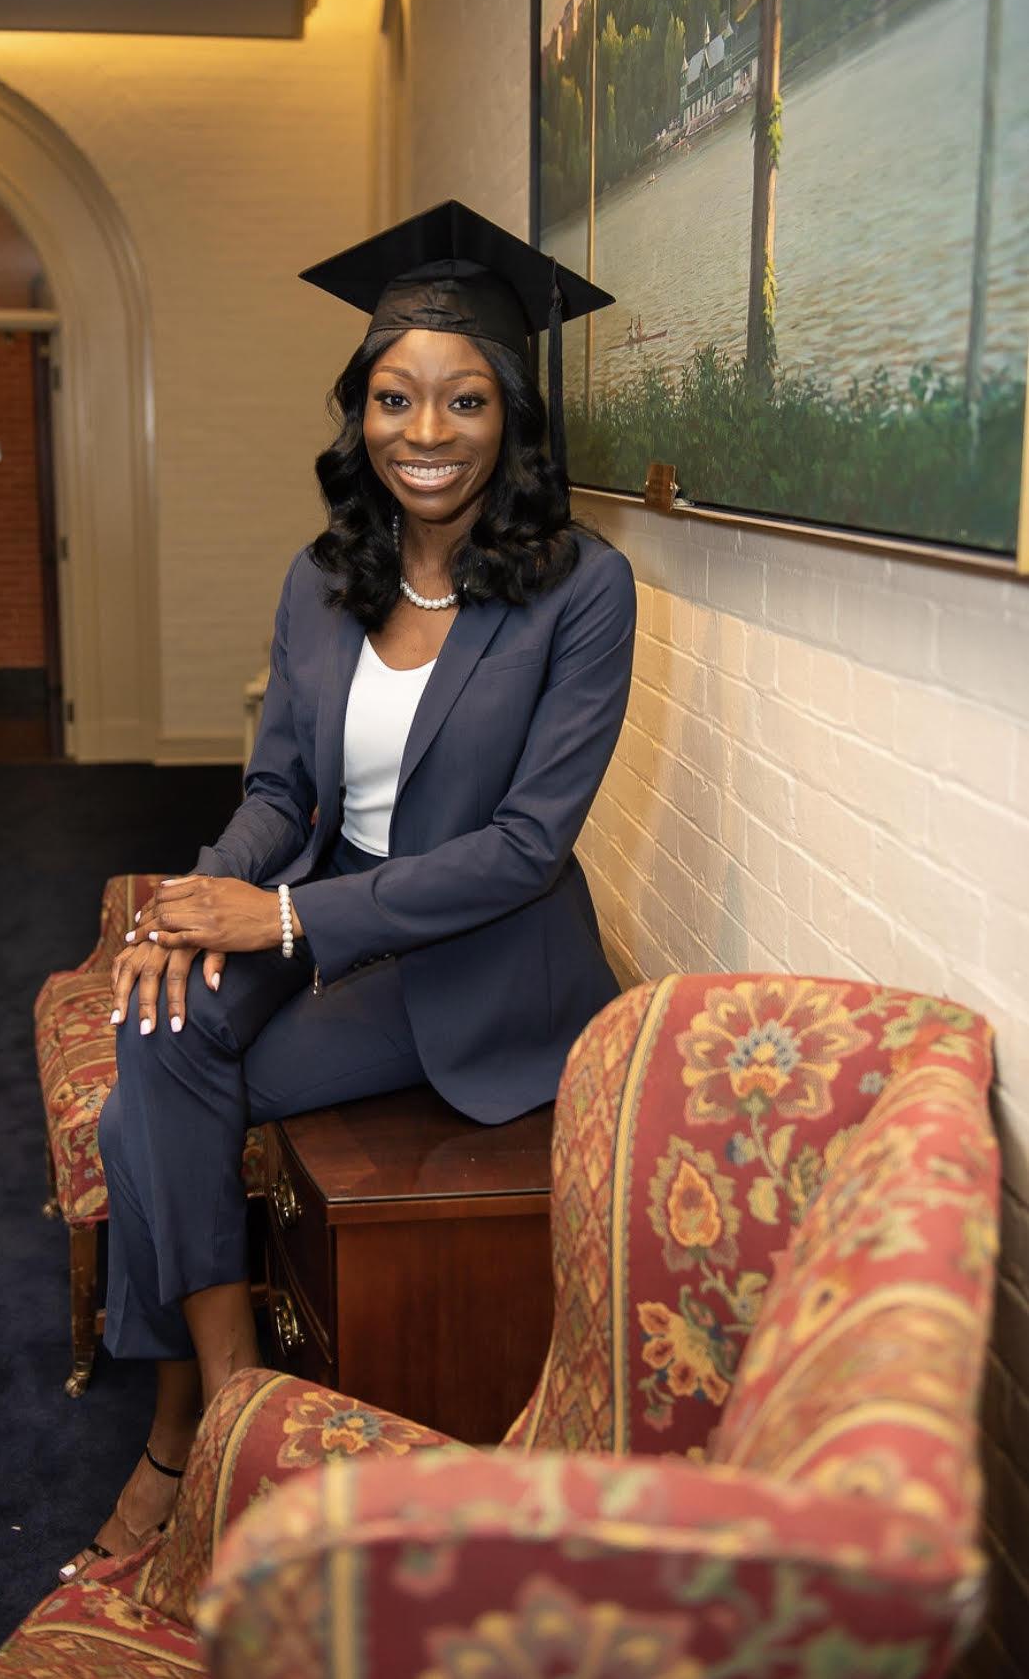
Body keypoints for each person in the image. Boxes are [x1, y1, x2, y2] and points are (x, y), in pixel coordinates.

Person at [60, 200, 636, 1582]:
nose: (422, 432)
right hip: (325, 901)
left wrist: (285, 921)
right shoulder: (324, 580)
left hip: (477, 952)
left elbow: (525, 845)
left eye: (461, 399)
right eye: (393, 397)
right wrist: (194, 903)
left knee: (167, 1093)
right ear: (358, 411)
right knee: (156, 1030)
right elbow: (277, 799)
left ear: (510, 418)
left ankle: (181, 1429)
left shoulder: (582, 591)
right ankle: (234, 1395)